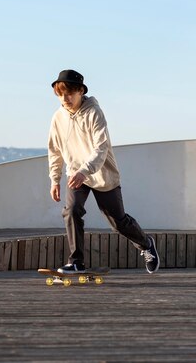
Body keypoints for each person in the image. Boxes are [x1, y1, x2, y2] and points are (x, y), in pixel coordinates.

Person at [47, 69, 160, 274]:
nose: (65, 98)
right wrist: (55, 179)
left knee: (118, 222)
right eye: (61, 93)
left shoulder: (94, 113)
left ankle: (145, 244)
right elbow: (54, 150)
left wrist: (85, 170)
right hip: (76, 175)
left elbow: (101, 148)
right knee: (71, 212)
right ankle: (76, 262)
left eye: (70, 92)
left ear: (81, 91)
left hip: (102, 175)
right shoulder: (58, 117)